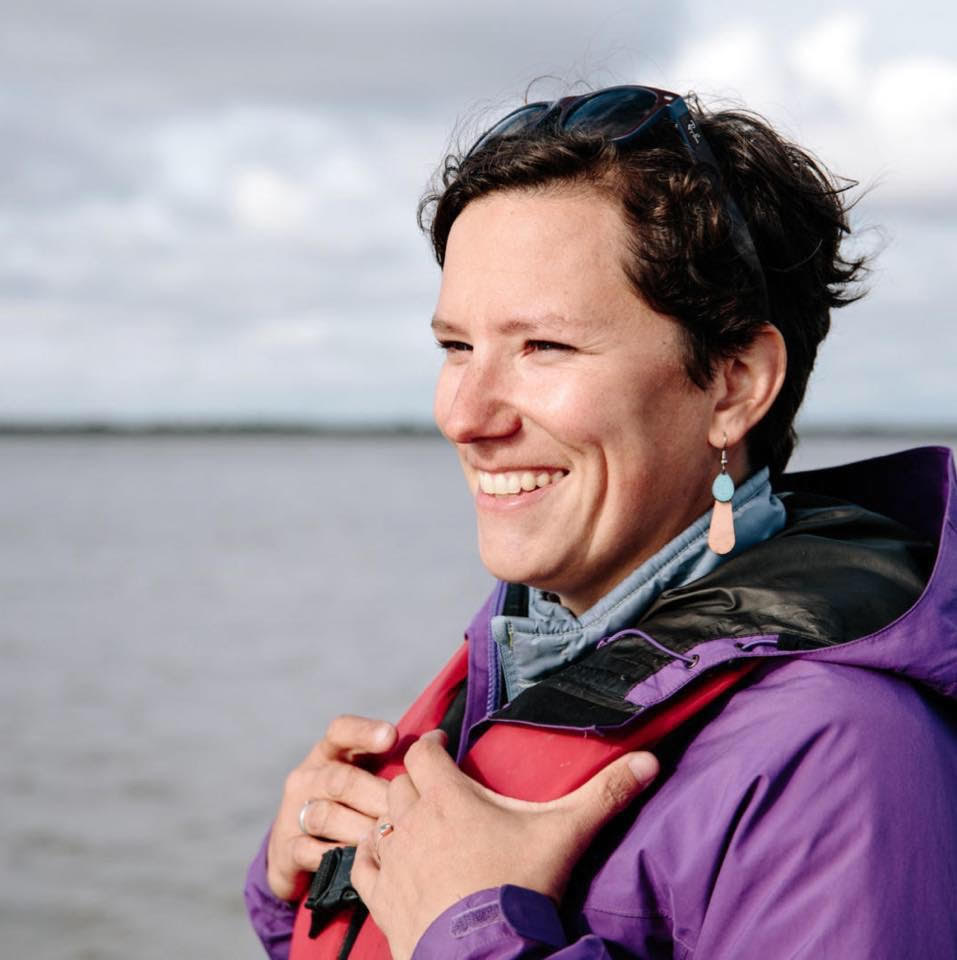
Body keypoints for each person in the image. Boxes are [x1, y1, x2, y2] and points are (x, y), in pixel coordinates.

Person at [244, 85, 957, 959]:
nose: (464, 414)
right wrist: (302, 891)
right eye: (455, 347)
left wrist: (471, 933)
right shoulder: (522, 663)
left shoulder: (843, 756)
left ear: (733, 383)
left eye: (544, 346)